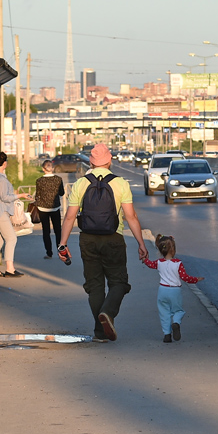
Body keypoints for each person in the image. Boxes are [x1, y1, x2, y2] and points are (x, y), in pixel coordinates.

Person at [58, 144, 149, 342]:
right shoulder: (120, 183)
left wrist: (62, 244)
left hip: (88, 239)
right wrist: (141, 243)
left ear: (91, 162)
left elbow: (69, 217)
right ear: (109, 161)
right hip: (113, 238)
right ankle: (107, 312)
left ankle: (99, 333)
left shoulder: (80, 184)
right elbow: (131, 217)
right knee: (119, 282)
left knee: (94, 286)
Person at [142, 234, 203, 343]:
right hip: (175, 291)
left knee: (164, 313)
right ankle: (176, 323)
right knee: (178, 310)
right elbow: (185, 277)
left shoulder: (159, 263)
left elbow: (150, 264)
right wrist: (196, 279)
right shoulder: (178, 263)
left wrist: (144, 259)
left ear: (161, 250)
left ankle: (167, 334)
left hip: (162, 290)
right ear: (173, 249)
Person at [0, 152, 31, 277]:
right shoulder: (0, 179)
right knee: (11, 238)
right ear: (4, 163)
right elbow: (5, 197)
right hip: (1, 212)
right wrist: (21, 195)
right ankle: (10, 268)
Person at [33, 159, 65, 258]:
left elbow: (37, 195)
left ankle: (49, 253)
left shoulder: (39, 181)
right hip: (55, 208)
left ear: (43, 169)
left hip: (43, 209)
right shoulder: (58, 179)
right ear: (52, 168)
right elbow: (62, 193)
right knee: (58, 231)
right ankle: (61, 252)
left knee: (46, 231)